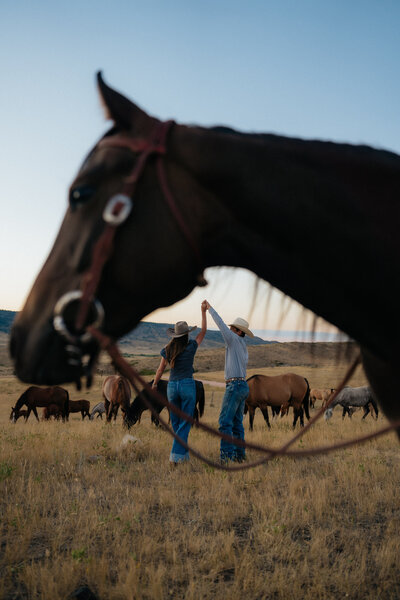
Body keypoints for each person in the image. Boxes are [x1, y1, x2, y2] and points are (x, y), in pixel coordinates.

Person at [152, 302, 207, 464]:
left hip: (171, 387)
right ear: (187, 334)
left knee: (176, 422)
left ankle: (184, 456)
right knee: (185, 422)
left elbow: (160, 369)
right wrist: (202, 311)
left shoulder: (167, 349)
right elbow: (203, 331)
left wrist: (155, 384)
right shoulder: (191, 346)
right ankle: (175, 456)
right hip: (187, 386)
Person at [204, 301, 253, 463]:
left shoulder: (233, 340)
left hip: (234, 386)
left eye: (233, 329)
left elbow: (221, 325)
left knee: (224, 422)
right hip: (243, 385)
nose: (230, 330)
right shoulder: (242, 345)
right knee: (237, 423)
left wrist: (210, 309)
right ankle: (240, 455)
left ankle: (226, 457)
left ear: (238, 332)